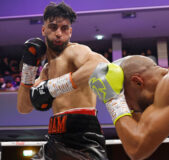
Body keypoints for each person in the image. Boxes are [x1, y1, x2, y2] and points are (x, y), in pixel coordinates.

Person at [17, 2, 109, 159]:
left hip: (82, 141)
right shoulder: (46, 71)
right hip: (54, 140)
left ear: (70, 32)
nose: (59, 33)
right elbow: (24, 107)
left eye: (64, 28)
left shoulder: (74, 51)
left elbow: (103, 66)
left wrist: (56, 87)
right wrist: (28, 71)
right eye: (53, 27)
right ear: (43, 29)